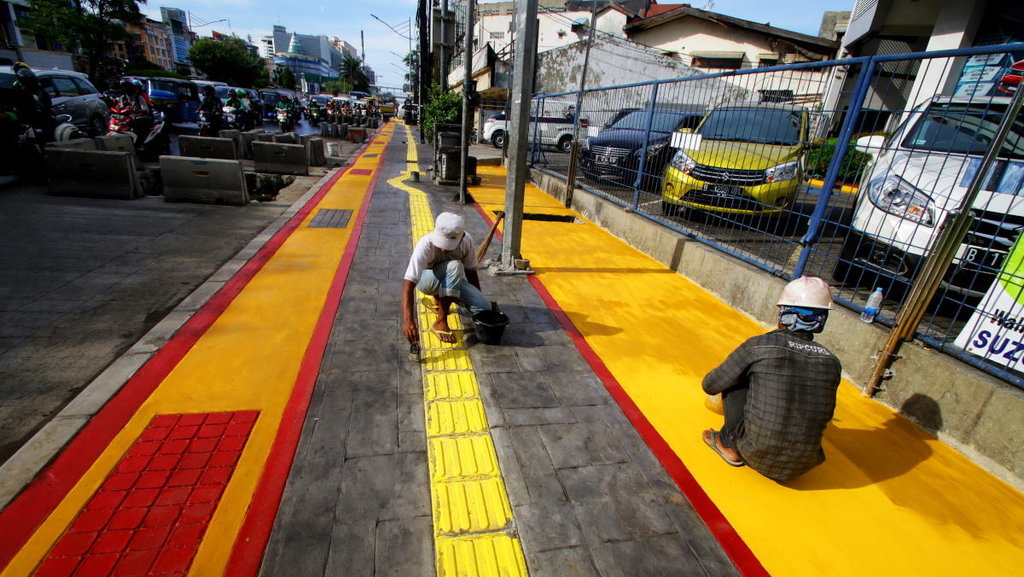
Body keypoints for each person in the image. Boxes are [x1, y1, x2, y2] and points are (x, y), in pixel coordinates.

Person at [701, 276, 842, 481]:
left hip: (755, 453)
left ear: (783, 314)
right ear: (821, 321)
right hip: (806, 463)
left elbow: (710, 384)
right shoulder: (832, 362)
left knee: (736, 375)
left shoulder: (759, 346)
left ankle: (728, 443)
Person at [402, 212, 494, 345]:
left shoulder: (466, 240)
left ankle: (444, 297)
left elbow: (471, 272)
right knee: (455, 266)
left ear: (461, 236)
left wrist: (478, 295)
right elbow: (408, 285)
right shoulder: (425, 245)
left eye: (449, 244)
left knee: (484, 307)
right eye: (442, 242)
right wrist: (409, 321)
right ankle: (441, 320)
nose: (444, 249)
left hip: (451, 278)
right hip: (427, 282)